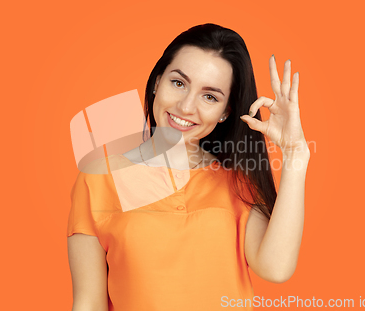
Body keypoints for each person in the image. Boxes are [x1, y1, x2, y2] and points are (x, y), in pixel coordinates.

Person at [67, 23, 310, 311]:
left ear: (225, 113)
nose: (185, 106)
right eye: (179, 83)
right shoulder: (97, 179)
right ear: (157, 81)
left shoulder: (239, 179)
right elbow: (88, 303)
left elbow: (276, 269)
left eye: (210, 97)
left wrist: (295, 154)